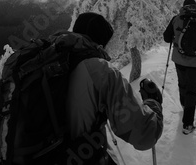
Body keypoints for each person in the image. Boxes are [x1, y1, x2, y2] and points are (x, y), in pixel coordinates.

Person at [66, 12, 163, 164]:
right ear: (98, 41)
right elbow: (144, 135)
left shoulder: (56, 63)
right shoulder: (99, 70)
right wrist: (153, 102)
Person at [163, 0, 196, 135]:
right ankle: (188, 124)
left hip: (179, 59)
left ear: (184, 7)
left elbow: (166, 38)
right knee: (192, 90)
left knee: (182, 83)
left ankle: (184, 104)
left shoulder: (176, 19)